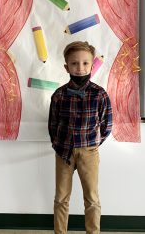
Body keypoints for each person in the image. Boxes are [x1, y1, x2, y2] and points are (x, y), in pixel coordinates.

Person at [48, 41, 112, 234]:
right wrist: (58, 144)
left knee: (92, 198)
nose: (80, 67)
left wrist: (91, 145)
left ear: (92, 66)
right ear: (66, 66)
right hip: (63, 152)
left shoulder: (99, 94)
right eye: (74, 63)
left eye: (85, 63)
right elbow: (52, 124)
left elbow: (106, 125)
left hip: (89, 152)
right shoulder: (59, 95)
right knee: (61, 198)